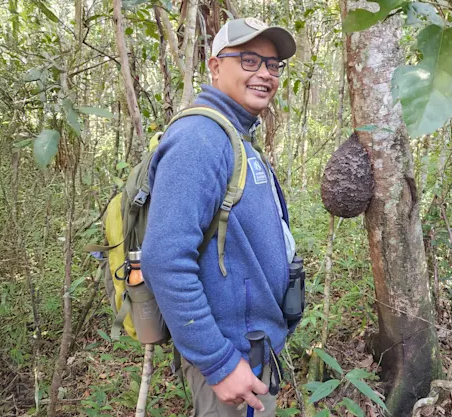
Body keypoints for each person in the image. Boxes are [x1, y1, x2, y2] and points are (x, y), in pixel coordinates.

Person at [142, 17, 298, 417]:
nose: (265, 73)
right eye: (249, 60)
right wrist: (219, 362)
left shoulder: (236, 137)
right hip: (233, 359)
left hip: (255, 351)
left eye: (273, 64)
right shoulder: (198, 139)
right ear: (214, 66)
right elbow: (165, 259)